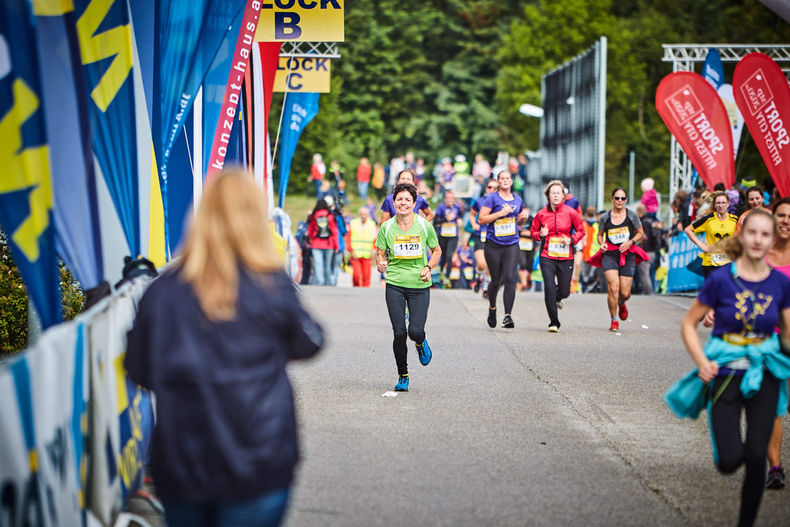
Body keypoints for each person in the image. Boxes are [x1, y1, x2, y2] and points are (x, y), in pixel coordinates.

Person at [125, 169, 323, 527]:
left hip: (182, 459)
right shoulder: (271, 285)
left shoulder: (163, 290)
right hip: (259, 455)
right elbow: (311, 342)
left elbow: (138, 367)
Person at [667, 209, 790, 527]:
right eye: (752, 233)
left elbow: (788, 334)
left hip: (764, 373)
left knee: (755, 455)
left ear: (772, 239)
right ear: (741, 236)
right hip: (724, 373)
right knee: (730, 460)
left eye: (765, 234)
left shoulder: (780, 283)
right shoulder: (721, 279)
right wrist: (701, 361)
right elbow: (688, 323)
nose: (758, 240)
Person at [376, 183, 441, 392]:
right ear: (393, 202)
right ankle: (403, 375)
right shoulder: (386, 227)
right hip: (394, 283)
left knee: (414, 330)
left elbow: (437, 250)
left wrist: (429, 267)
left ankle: (421, 342)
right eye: (399, 199)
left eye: (407, 200)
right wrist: (381, 262)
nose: (402, 203)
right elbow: (380, 253)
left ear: (414, 203)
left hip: (419, 284)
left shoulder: (423, 226)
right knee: (398, 333)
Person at [478, 170, 530, 329]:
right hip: (493, 245)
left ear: (512, 181)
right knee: (496, 280)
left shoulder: (518, 199)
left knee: (509, 278)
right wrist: (501, 213)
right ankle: (492, 307)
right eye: (502, 178)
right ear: (499, 181)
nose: (505, 180)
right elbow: (481, 219)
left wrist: (523, 218)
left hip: (511, 244)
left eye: (508, 178)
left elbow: (519, 223)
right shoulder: (492, 198)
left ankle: (508, 316)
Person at [531, 181, 585, 332]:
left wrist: (572, 239)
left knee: (564, 291)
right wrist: (540, 234)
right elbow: (533, 232)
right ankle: (554, 322)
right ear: (548, 196)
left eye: (558, 193)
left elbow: (581, 230)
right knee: (548, 287)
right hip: (547, 255)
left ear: (563, 196)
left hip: (566, 255)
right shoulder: (541, 214)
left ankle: (558, 297)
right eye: (552, 193)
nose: (555, 195)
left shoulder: (570, 212)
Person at [766, 197, 790, 489]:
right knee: (771, 406)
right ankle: (775, 468)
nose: (786, 221)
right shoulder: (762, 253)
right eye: (782, 215)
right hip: (768, 339)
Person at [597, 188, 645, 331]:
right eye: (617, 198)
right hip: (610, 254)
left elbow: (640, 233)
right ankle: (614, 320)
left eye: (622, 198)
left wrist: (630, 242)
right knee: (613, 287)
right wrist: (602, 243)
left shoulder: (632, 216)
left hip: (627, 254)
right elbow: (599, 235)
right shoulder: (605, 217)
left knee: (625, 293)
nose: (619, 201)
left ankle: (621, 303)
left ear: (626, 200)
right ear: (612, 199)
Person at [684, 191, 738, 279]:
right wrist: (702, 246)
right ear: (715, 204)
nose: (721, 205)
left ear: (728, 204)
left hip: (728, 261)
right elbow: (688, 230)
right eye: (718, 203)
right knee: (712, 291)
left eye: (723, 203)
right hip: (710, 261)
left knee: (725, 290)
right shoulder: (708, 219)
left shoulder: (734, 219)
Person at [470, 178, 499, 296]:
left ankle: (486, 288)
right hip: (480, 235)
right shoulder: (479, 201)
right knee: (482, 263)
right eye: (489, 187)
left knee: (490, 263)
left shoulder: (500, 202)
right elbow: (472, 215)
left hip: (493, 236)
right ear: (486, 188)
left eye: (495, 188)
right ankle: (479, 275)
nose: (491, 190)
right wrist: (474, 224)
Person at [306, 198, 338, 286]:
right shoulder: (330, 216)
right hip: (329, 244)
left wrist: (311, 240)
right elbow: (334, 231)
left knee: (318, 265)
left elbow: (310, 230)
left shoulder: (314, 215)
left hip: (316, 244)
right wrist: (336, 245)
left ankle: (320, 282)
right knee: (327, 265)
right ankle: (328, 283)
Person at [434, 190, 463, 283]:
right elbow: (436, 221)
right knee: (443, 256)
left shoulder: (457, 207)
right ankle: (441, 271)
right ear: (445, 199)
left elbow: (460, 216)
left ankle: (447, 277)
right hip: (442, 235)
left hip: (453, 236)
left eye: (451, 199)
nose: (450, 200)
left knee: (450, 255)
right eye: (448, 198)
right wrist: (446, 219)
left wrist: (459, 220)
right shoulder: (441, 207)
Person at [636, 204, 662, 294]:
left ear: (639, 212)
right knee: (651, 273)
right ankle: (651, 290)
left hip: (645, 251)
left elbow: (642, 238)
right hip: (653, 252)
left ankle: (648, 292)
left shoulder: (642, 223)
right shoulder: (652, 222)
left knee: (644, 273)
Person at [349, 207, 377, 287]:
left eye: (365, 214)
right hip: (356, 254)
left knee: (366, 276)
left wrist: (374, 250)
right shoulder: (353, 223)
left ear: (367, 215)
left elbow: (375, 239)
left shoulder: (372, 224)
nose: (363, 216)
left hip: (367, 254)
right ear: (359, 214)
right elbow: (348, 238)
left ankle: (365, 292)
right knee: (356, 276)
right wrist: (351, 251)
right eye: (361, 214)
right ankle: (356, 289)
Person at [517, 208, 535, 292]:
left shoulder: (532, 219)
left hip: (530, 246)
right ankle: (524, 285)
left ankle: (528, 277)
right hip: (520, 246)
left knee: (529, 265)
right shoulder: (517, 218)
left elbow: (535, 232)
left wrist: (529, 233)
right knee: (522, 264)